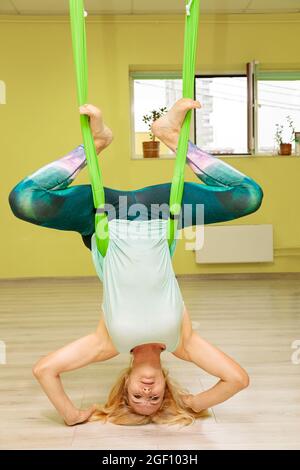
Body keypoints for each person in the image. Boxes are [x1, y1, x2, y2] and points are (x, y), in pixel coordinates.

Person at [9, 99, 263, 426]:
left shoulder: (107, 344)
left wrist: (71, 414)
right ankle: (170, 135)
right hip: (162, 213)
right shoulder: (183, 343)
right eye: (155, 398)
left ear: (125, 384)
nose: (147, 391)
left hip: (103, 217)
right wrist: (193, 402)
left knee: (24, 200)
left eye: (137, 396)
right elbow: (238, 380)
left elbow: (44, 370)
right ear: (165, 388)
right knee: (249, 196)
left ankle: (94, 145)